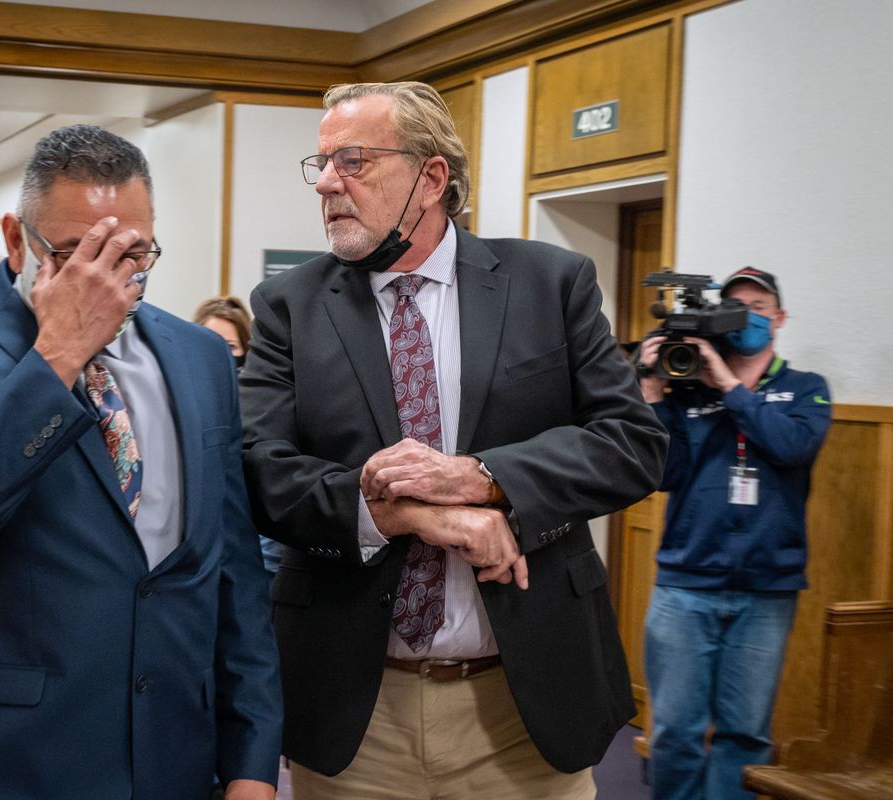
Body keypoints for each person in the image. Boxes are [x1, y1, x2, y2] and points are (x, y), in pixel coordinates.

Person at [239, 81, 667, 799]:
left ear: (431, 176)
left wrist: (479, 478)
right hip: (355, 706)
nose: (329, 185)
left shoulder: (550, 282)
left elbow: (631, 445)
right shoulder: (290, 305)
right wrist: (410, 513)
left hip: (522, 702)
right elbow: (260, 472)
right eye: (322, 165)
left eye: (354, 161)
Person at [0, 124, 282, 799]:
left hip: (174, 754)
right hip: (7, 763)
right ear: (14, 240)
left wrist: (252, 763)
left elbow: (231, 572)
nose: (109, 280)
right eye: (74, 254)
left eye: (133, 253)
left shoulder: (201, 358)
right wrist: (56, 357)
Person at [638, 267, 830, 800]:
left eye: (759, 306)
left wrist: (727, 385)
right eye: (736, 305)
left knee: (744, 734)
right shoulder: (685, 389)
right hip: (685, 586)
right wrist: (653, 392)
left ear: (780, 318)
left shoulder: (805, 390)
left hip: (768, 590)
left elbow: (791, 447)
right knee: (675, 732)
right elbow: (663, 473)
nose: (748, 315)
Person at [193, 296, 283, 576]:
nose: (219, 355)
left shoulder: (260, 410)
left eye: (229, 347)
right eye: (209, 343)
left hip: (250, 558)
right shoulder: (182, 407)